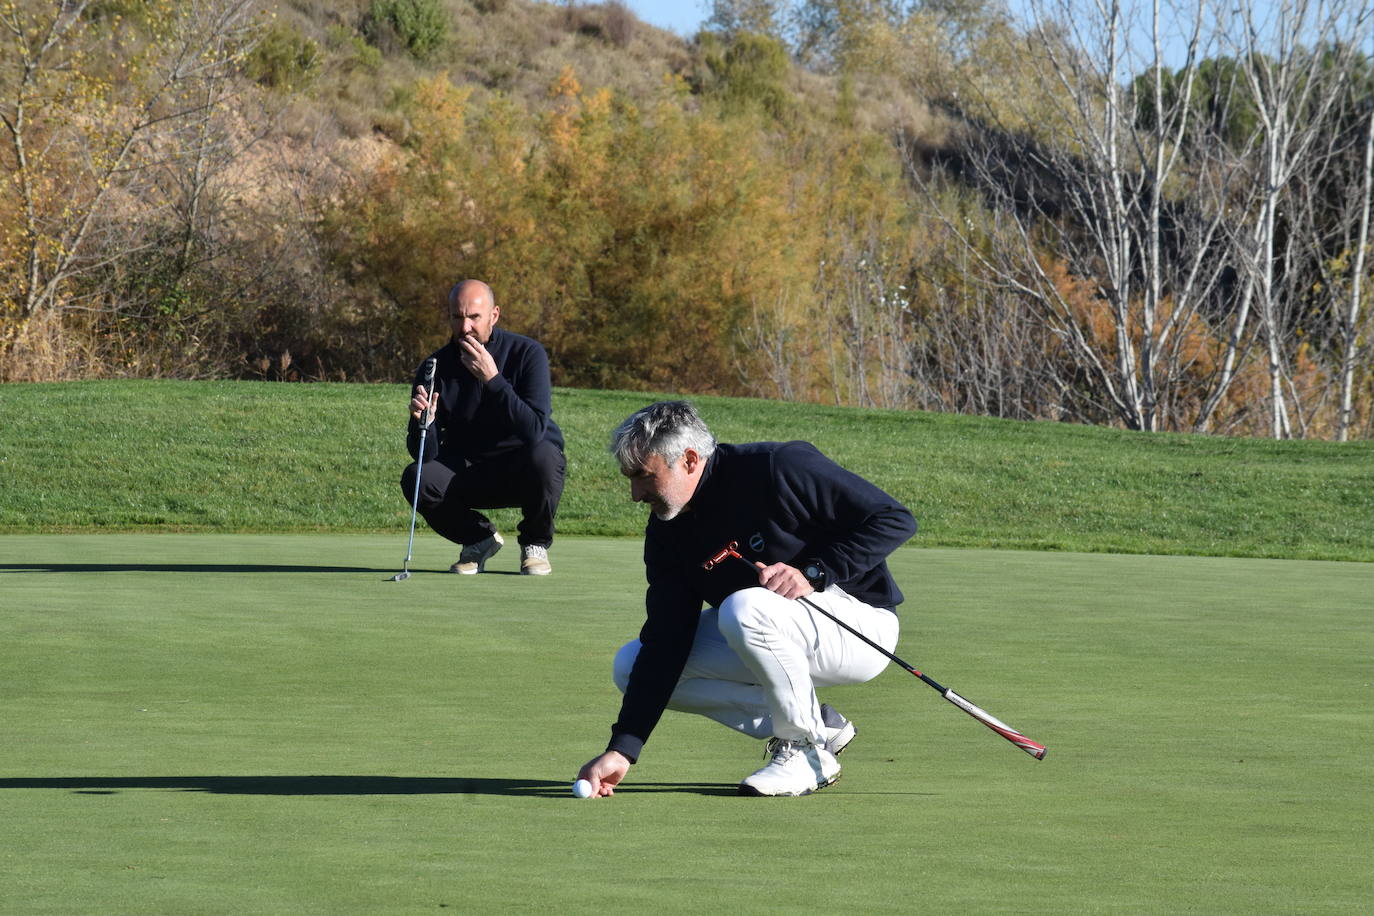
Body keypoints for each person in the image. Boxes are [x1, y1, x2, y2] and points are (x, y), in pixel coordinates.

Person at [576, 401, 917, 797]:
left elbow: (894, 519)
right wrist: (623, 749)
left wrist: (813, 573)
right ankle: (819, 727)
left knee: (744, 607)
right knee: (630, 665)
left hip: (860, 628)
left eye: (644, 476)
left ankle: (805, 752)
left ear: (688, 459)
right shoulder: (668, 532)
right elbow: (667, 641)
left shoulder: (777, 466)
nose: (635, 494)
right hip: (771, 628)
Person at [401, 279, 565, 576]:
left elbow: (533, 430)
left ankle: (534, 544)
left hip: (523, 469)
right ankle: (478, 539)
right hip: (469, 470)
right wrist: (424, 424)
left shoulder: (527, 353)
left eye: (474, 317)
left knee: (545, 455)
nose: (465, 327)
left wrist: (493, 379)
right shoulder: (434, 366)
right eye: (457, 317)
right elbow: (423, 454)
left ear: (494, 315)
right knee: (417, 477)